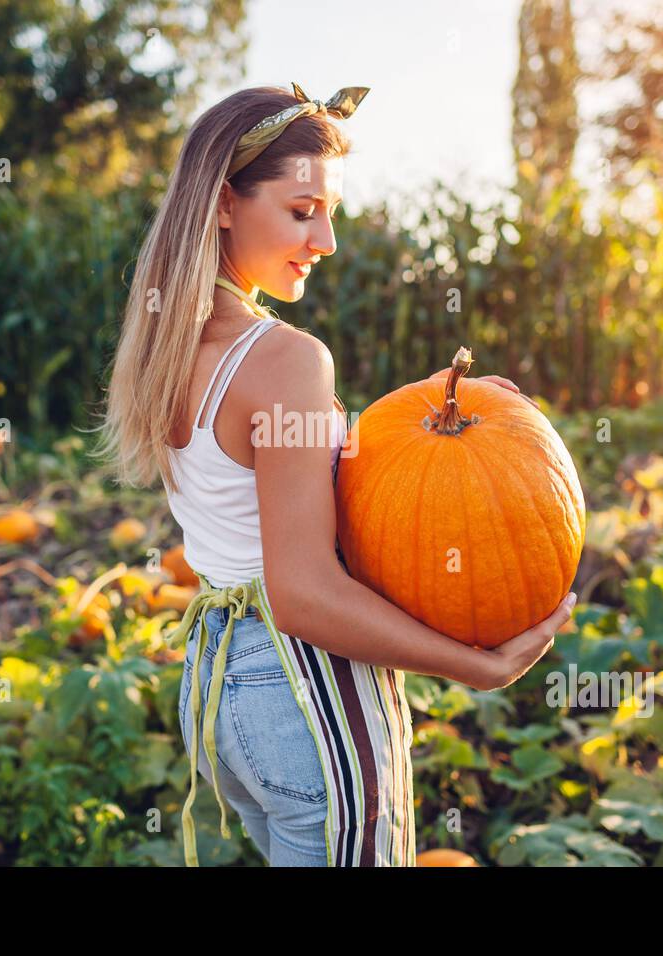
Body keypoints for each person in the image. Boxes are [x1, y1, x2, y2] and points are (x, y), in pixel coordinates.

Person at [97, 82, 575, 867]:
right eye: (300, 210)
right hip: (306, 699)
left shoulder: (170, 347)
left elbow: (292, 480)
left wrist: (455, 412)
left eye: (330, 214)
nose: (326, 240)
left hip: (217, 691)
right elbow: (302, 595)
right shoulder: (286, 359)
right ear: (224, 204)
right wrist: (478, 667)